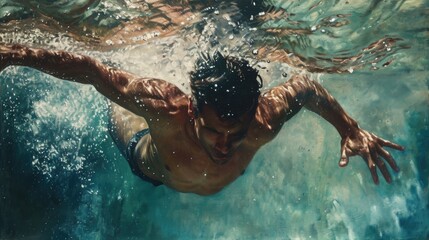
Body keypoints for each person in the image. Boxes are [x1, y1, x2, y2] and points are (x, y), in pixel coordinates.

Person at [0, 44, 404, 195]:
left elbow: (306, 88)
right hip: (146, 155)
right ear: (194, 110)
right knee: (123, 103)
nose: (225, 145)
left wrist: (349, 129)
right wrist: (15, 54)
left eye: (237, 132)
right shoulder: (167, 109)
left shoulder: (264, 120)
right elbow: (91, 71)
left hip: (188, 170)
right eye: (214, 132)